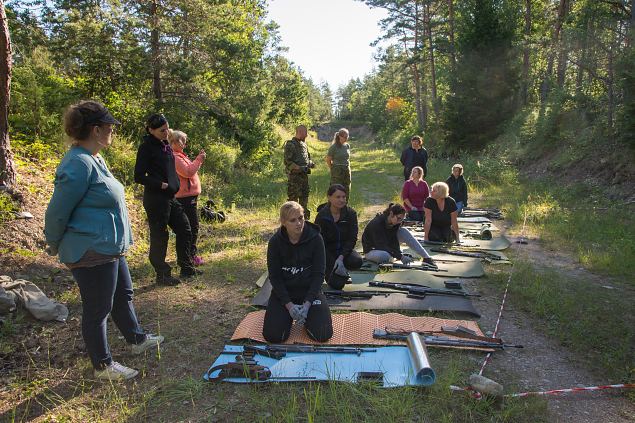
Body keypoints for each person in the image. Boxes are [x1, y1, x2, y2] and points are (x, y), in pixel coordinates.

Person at [45, 101, 163, 381]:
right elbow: (57, 211)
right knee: (98, 309)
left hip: (109, 248)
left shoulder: (94, 158)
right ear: (95, 130)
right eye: (109, 127)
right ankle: (103, 365)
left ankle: (136, 340)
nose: (113, 131)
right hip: (90, 249)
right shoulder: (76, 163)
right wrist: (54, 242)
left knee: (123, 295)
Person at [134, 114, 197, 285]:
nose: (166, 132)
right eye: (162, 130)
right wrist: (160, 184)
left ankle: (186, 267)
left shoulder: (165, 145)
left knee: (185, 229)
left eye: (167, 128)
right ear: (151, 130)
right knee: (160, 236)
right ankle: (162, 274)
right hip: (156, 198)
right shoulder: (146, 148)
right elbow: (138, 176)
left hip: (170, 196)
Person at [263, 201, 333, 343]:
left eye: (301, 218)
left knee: (322, 334)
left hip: (309, 292)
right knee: (274, 336)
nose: (298, 223)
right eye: (293, 220)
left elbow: (319, 274)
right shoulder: (275, 242)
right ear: (283, 222)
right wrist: (289, 305)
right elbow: (275, 277)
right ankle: (287, 316)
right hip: (285, 293)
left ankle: (307, 318)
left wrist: (307, 305)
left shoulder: (315, 238)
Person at [314, 184, 363, 289]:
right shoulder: (322, 216)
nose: (341, 200)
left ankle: (344, 268)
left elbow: (352, 238)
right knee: (337, 285)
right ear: (329, 197)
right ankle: (327, 271)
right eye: (338, 197)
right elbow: (318, 242)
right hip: (327, 252)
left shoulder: (351, 213)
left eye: (344, 197)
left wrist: (341, 257)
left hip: (343, 251)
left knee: (357, 261)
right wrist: (332, 261)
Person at [169, 129, 206, 266]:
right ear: (175, 142)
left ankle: (190, 255)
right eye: (183, 142)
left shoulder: (180, 156)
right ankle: (190, 257)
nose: (185, 144)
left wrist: (197, 160)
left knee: (192, 227)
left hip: (189, 197)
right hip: (184, 198)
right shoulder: (176, 158)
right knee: (191, 227)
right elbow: (188, 171)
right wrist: (199, 160)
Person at [361, 203, 435, 265]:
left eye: (402, 219)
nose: (399, 222)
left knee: (404, 231)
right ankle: (392, 257)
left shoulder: (395, 223)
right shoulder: (377, 224)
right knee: (385, 256)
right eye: (399, 218)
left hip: (387, 245)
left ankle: (426, 258)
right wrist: (400, 257)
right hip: (373, 250)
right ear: (391, 214)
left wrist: (398, 253)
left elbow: (393, 240)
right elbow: (381, 245)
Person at [284, 125, 315, 219]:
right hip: (294, 178)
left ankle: (303, 219)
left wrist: (310, 164)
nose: (306, 135)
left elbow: (307, 159)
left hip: (304, 177)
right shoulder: (290, 144)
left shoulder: (304, 145)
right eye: (305, 133)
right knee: (293, 200)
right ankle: (291, 219)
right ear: (300, 132)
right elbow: (288, 162)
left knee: (305, 197)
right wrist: (300, 168)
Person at [325, 128, 351, 195]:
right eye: (345, 137)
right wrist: (332, 168)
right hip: (337, 170)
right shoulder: (333, 147)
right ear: (340, 136)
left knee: (347, 188)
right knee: (336, 189)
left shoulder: (347, 146)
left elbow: (347, 158)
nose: (346, 138)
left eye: (347, 136)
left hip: (346, 169)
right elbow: (328, 160)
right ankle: (335, 204)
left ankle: (345, 204)